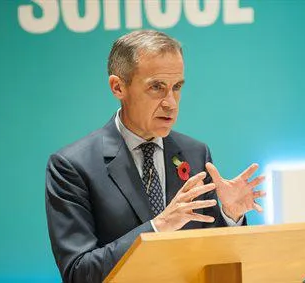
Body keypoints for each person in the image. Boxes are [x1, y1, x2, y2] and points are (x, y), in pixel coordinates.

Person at [46, 30, 265, 283]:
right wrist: (158, 226)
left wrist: (230, 217)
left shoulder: (196, 153)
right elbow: (78, 273)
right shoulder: (72, 166)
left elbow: (212, 257)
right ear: (118, 87)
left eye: (177, 87)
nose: (171, 103)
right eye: (156, 87)